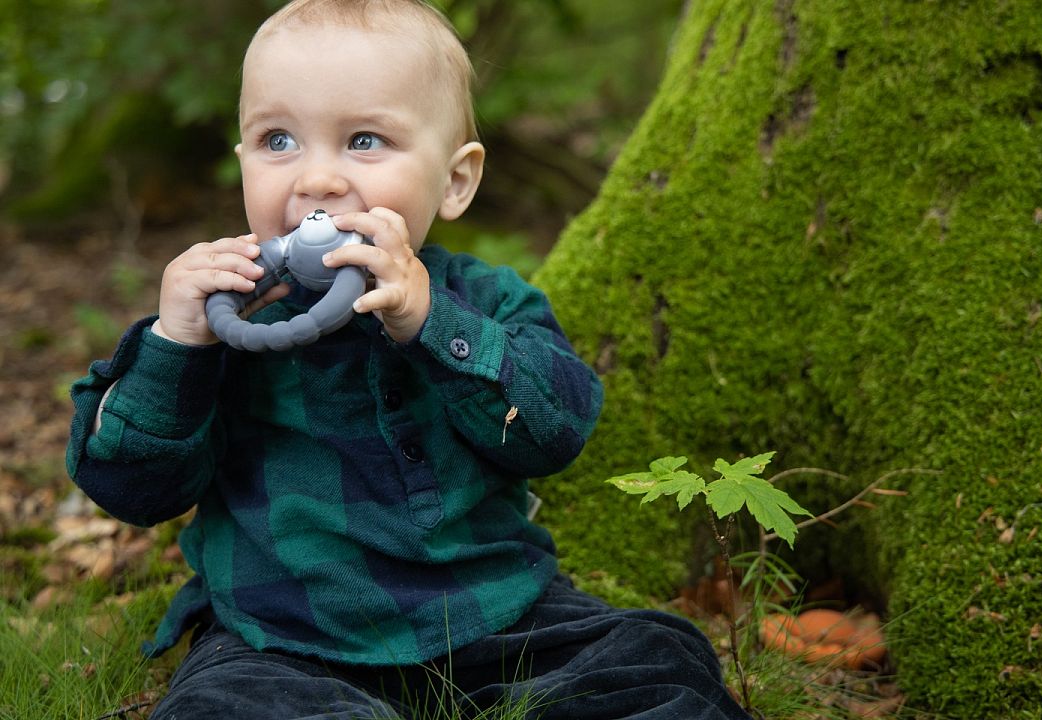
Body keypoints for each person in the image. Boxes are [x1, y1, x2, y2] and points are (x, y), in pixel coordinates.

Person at [66, 1, 752, 717]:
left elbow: (557, 431)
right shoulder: (226, 319)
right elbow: (129, 489)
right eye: (277, 140)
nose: (318, 180)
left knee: (658, 662)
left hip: (500, 619)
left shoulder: (486, 300)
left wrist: (431, 321)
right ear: (241, 164)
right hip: (285, 641)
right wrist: (174, 346)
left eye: (363, 140)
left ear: (454, 181)